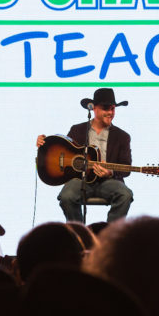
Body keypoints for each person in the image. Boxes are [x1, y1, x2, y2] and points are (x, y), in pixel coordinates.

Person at [36, 87, 134, 223]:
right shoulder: (77, 130)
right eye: (106, 108)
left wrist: (110, 172)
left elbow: (126, 167)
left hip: (109, 182)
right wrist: (44, 143)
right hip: (80, 180)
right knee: (66, 196)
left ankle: (110, 236)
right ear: (94, 108)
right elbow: (63, 151)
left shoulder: (122, 136)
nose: (110, 112)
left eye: (113, 108)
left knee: (125, 195)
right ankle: (80, 233)